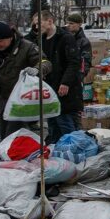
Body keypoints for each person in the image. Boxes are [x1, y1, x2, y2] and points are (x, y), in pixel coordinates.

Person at [0, 21, 51, 139]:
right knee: (5, 134)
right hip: (3, 99)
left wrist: (36, 69)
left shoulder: (27, 47)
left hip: (22, 100)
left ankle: (14, 155)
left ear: (10, 38)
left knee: (14, 135)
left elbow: (45, 62)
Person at [35, 11, 82, 143]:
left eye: (40, 23)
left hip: (64, 89)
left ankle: (73, 148)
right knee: (52, 123)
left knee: (65, 122)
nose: (38, 27)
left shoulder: (65, 38)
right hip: (49, 88)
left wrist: (65, 82)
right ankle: (55, 150)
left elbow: (74, 62)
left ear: (50, 21)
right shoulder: (42, 40)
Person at [65, 13, 92, 81]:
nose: (68, 26)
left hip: (75, 78)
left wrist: (80, 76)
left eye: (71, 23)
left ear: (79, 24)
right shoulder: (65, 38)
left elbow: (85, 61)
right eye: (67, 23)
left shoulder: (84, 41)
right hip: (64, 75)